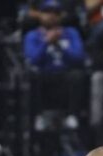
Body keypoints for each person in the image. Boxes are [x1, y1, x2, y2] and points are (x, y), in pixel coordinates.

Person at [23, 0, 86, 131]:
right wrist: (46, 42)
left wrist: (60, 45)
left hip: (64, 73)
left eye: (56, 13)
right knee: (32, 74)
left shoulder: (71, 33)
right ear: (40, 14)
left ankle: (72, 115)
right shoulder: (32, 35)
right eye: (47, 12)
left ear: (61, 16)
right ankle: (38, 116)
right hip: (44, 73)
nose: (51, 16)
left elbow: (78, 57)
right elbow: (33, 59)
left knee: (78, 75)